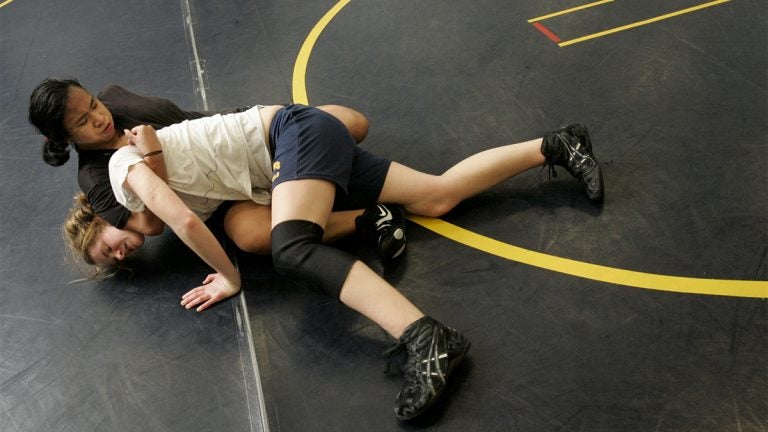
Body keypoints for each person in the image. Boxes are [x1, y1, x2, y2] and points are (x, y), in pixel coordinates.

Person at [59, 95, 603, 419]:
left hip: (292, 136)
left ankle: (427, 338)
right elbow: (171, 216)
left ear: (101, 216)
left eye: (109, 246)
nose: (124, 250)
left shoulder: (119, 171)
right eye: (116, 260)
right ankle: (557, 144)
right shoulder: (140, 168)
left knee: (292, 250)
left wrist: (228, 279)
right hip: (294, 143)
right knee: (437, 197)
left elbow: (175, 220)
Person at [28, 78, 406, 264]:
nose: (99, 118)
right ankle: (366, 218)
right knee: (253, 236)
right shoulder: (95, 177)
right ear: (64, 136)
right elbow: (153, 225)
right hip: (221, 195)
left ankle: (306, 181)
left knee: (353, 125)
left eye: (93, 104)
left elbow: (187, 123)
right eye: (83, 121)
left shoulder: (116, 99)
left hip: (234, 137)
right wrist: (154, 156)